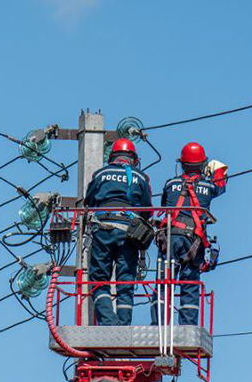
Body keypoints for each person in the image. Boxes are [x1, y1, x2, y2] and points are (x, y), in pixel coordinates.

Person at [153, 141, 227, 326]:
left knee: (163, 283)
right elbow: (221, 185)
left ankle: (158, 326)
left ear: (182, 164)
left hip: (168, 238)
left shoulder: (170, 183)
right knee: (190, 284)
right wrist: (217, 169)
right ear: (202, 165)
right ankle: (187, 325)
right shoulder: (208, 187)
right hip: (192, 242)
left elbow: (165, 204)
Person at [84, 138, 153, 325]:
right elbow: (148, 210)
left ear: (112, 156)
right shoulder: (140, 177)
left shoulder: (101, 174)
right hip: (129, 233)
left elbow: (88, 201)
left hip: (103, 229)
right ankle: (123, 326)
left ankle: (108, 323)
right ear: (133, 159)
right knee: (126, 281)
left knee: (99, 279)